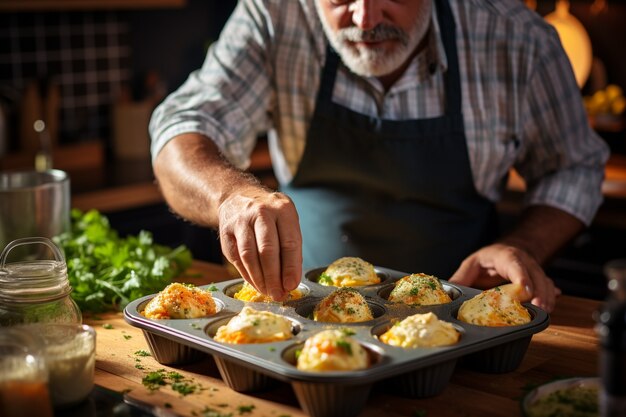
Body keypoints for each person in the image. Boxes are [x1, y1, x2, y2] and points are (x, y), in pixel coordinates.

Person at [149, 0, 609, 313]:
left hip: (465, 310)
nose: (365, 19)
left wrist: (526, 246)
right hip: (301, 311)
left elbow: (574, 165)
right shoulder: (275, 15)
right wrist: (230, 194)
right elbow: (182, 127)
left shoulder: (516, 38)